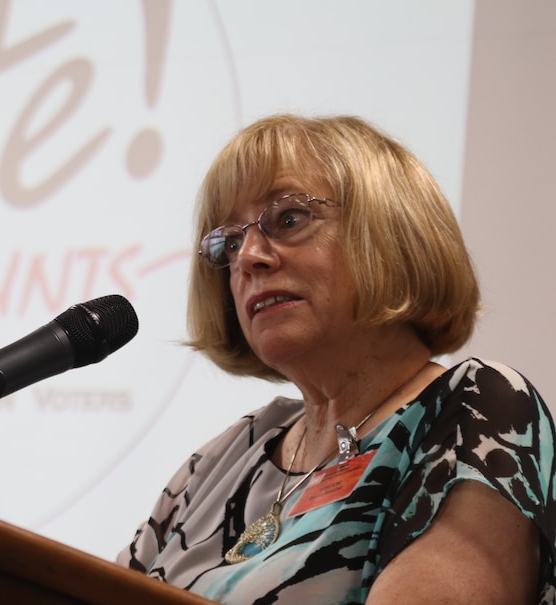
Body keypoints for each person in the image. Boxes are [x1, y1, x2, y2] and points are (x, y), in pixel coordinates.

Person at [118, 114, 556, 603]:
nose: (248, 258)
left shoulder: (473, 409)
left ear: (390, 233)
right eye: (231, 241)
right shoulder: (224, 458)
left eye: (288, 219)